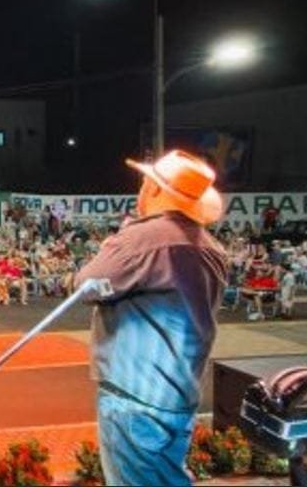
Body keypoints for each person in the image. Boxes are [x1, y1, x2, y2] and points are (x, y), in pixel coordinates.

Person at [74, 150, 228, 486]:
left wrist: (119, 239)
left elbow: (84, 286)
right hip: (179, 393)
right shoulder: (212, 248)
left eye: (146, 182)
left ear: (155, 189)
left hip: (136, 395)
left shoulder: (142, 237)